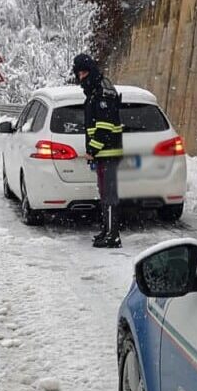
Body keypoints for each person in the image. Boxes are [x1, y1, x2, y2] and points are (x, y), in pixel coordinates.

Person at [72, 54, 124, 248]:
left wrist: (93, 149)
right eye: (79, 73)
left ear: (91, 71)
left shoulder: (101, 92)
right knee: (105, 195)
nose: (81, 77)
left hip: (107, 153)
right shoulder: (96, 91)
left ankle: (112, 236)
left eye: (84, 72)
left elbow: (104, 127)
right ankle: (107, 230)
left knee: (109, 196)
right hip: (104, 153)